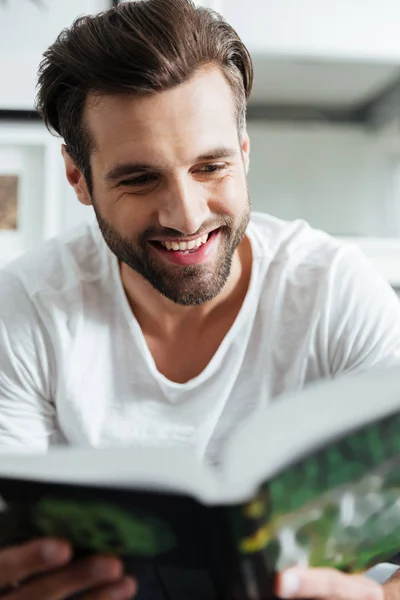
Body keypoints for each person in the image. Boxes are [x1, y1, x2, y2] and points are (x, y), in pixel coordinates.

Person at [0, 0, 400, 598]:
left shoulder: (335, 291)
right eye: (139, 178)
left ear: (243, 152)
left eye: (209, 167)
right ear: (78, 178)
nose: (186, 216)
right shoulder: (26, 309)